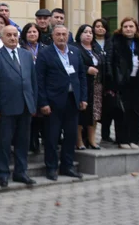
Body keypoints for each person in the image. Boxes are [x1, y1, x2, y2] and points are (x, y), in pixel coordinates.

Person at [0, 25, 38, 187]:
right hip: (6, 107)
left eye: (15, 35)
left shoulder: (26, 55)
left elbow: (33, 81)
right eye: (8, 35)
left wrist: (33, 104)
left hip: (25, 106)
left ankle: (21, 172)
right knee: (4, 143)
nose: (12, 38)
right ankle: (3, 174)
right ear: (1, 38)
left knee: (23, 142)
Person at [36, 25, 86, 181]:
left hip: (72, 101)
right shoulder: (45, 54)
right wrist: (43, 102)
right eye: (58, 34)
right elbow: (39, 80)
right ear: (52, 36)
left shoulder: (75, 52)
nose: (61, 37)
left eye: (64, 34)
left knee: (71, 135)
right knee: (52, 137)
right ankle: (51, 168)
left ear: (68, 35)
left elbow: (82, 77)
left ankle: (68, 166)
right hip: (53, 102)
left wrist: (83, 98)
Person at [106, 17, 139, 149]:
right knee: (122, 112)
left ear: (136, 28)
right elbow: (109, 62)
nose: (128, 29)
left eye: (131, 26)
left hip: (138, 82)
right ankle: (122, 139)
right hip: (121, 82)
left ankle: (134, 139)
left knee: (136, 112)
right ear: (121, 28)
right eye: (125, 26)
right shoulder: (115, 41)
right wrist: (111, 82)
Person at [73, 24, 104, 150]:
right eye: (85, 32)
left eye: (90, 32)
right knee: (82, 114)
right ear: (79, 34)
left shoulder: (96, 48)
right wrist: (87, 69)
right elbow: (74, 65)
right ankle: (79, 141)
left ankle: (92, 140)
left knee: (94, 115)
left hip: (96, 86)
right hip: (83, 85)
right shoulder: (75, 48)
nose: (88, 34)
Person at [20, 22, 47, 154]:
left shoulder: (45, 48)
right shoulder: (21, 48)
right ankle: (30, 142)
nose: (32, 34)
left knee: (40, 116)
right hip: (26, 85)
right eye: (29, 32)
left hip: (42, 85)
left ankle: (37, 141)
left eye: (34, 32)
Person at [92, 18, 115, 143]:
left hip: (110, 80)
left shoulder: (111, 42)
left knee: (108, 108)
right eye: (97, 26)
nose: (100, 28)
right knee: (95, 109)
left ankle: (106, 134)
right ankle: (90, 136)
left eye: (102, 26)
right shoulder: (91, 42)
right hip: (96, 80)